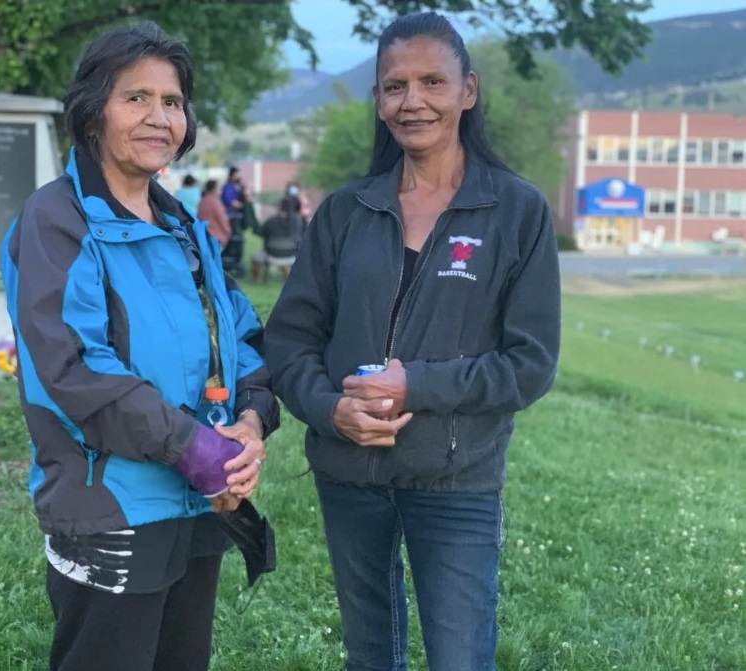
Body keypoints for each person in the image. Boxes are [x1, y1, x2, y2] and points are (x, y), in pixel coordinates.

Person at [264, 12, 560, 671]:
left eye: (432, 81)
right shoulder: (345, 211)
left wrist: (416, 384)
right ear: (377, 100)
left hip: (455, 478)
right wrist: (329, 408)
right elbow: (288, 342)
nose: (412, 100)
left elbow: (530, 363)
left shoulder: (515, 211)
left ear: (468, 91)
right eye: (393, 86)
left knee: (459, 656)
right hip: (348, 472)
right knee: (369, 654)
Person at [0, 22, 279, 671]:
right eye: (137, 98)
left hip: (200, 498)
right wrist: (195, 448)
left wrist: (250, 422)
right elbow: (73, 368)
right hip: (110, 509)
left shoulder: (182, 223)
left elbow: (237, 333)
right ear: (94, 109)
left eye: (173, 101)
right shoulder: (56, 220)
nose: (160, 117)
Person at [250, 197, 301, 283]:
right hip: (292, 256)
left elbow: (259, 233)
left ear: (280, 207)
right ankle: (289, 280)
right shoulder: (297, 221)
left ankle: (256, 279)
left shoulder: (271, 221)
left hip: (272, 255)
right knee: (284, 258)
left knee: (256, 258)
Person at [197, 178, 231, 248]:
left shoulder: (203, 201)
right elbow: (222, 220)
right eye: (219, 188)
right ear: (214, 189)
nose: (221, 190)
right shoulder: (215, 202)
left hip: (204, 236)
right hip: (216, 237)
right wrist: (228, 232)